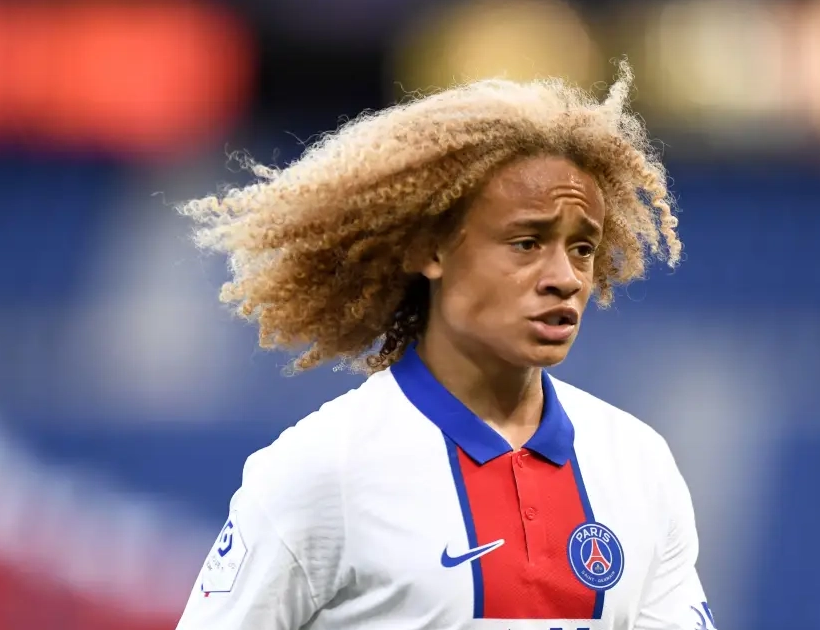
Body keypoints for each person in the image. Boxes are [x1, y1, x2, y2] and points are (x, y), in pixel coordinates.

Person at [173, 62, 716, 630]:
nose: (565, 277)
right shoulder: (322, 469)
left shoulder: (638, 465)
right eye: (527, 242)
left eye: (582, 249)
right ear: (429, 251)